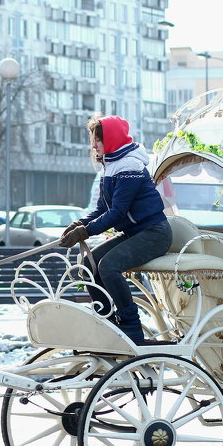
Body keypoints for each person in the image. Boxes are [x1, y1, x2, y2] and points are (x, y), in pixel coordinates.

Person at [59, 115, 172, 342]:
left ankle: (131, 327)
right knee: (88, 266)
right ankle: (107, 321)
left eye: (97, 140)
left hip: (154, 234)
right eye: (93, 140)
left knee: (109, 266)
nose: (93, 146)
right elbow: (102, 208)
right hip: (136, 233)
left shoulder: (129, 165)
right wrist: (79, 223)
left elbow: (117, 212)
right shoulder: (110, 165)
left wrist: (86, 231)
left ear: (110, 140)